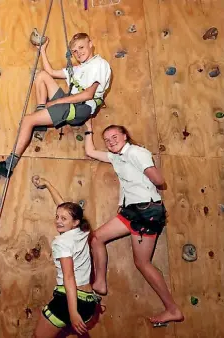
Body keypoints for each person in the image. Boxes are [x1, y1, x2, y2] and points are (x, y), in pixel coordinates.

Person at [84, 120, 184, 326]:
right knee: (96, 238)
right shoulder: (116, 157)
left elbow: (159, 180)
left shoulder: (137, 153)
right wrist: (88, 129)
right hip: (132, 212)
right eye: (107, 140)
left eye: (115, 137)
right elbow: (91, 151)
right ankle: (100, 282)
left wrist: (148, 172)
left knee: (142, 263)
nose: (111, 142)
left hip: (147, 211)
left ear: (125, 137)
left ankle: (173, 309)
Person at [0, 33, 111, 178]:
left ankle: (8, 166)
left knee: (27, 120)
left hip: (81, 108)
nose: (78, 53)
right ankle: (41, 118)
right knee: (42, 76)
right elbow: (50, 72)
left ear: (90, 43)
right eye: (74, 51)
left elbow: (89, 94)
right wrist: (42, 50)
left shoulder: (100, 64)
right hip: (71, 103)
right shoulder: (78, 68)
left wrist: (57, 102)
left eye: (81, 47)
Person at [29, 176, 100, 337]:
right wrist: (48, 184)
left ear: (74, 222)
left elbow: (69, 277)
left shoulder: (62, 242)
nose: (58, 221)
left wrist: (73, 312)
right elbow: (64, 207)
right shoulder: (82, 231)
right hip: (89, 302)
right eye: (57, 217)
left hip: (70, 300)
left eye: (63, 219)